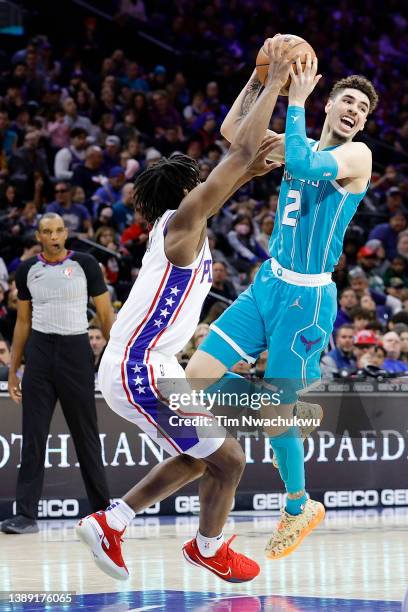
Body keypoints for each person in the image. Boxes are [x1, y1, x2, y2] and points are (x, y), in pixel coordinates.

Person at [75, 38, 291, 583]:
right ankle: (204, 545)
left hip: (150, 365)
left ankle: (115, 521)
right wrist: (273, 79)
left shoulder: (185, 222)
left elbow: (237, 154)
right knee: (232, 460)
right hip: (140, 366)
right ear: (191, 190)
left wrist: (254, 94)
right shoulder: (182, 222)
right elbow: (236, 152)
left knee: (202, 457)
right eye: (204, 182)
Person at [186, 44, 379, 560]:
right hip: (267, 283)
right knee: (199, 374)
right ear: (329, 103)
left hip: (307, 299)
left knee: (277, 412)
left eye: (363, 108)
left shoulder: (353, 157)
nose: (355, 110)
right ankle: (274, 408)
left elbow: (303, 162)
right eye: (348, 100)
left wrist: (293, 99)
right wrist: (260, 80)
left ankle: (299, 504)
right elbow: (235, 136)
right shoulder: (299, 139)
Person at [1, 213, 115, 534]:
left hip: (75, 352)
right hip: (39, 354)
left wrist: (119, 356)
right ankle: (25, 515)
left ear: (66, 233)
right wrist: (14, 371)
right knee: (34, 436)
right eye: (47, 232)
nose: (54, 236)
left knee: (86, 435)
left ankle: (104, 514)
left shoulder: (86, 264)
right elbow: (22, 323)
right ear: (39, 236)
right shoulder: (27, 271)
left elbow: (106, 314)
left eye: (59, 230)